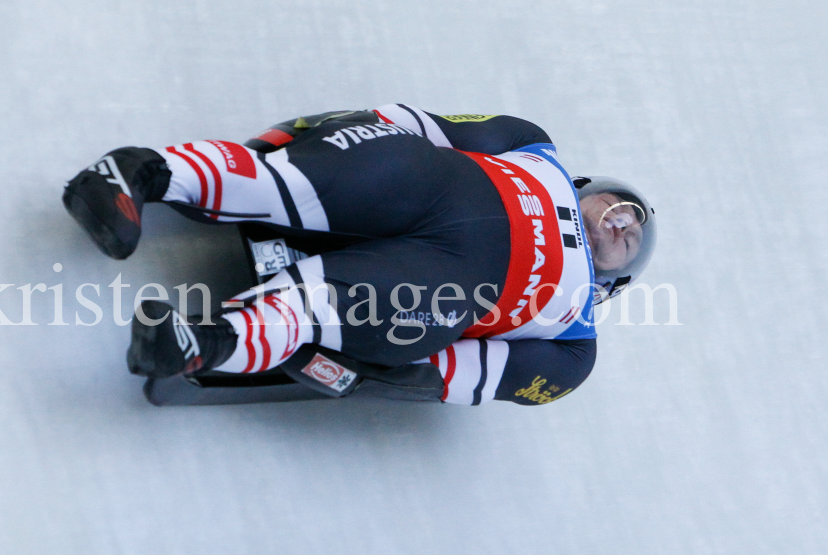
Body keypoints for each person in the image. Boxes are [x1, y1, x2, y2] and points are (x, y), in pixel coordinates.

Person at [62, 104, 656, 405]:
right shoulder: (531, 144)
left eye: (629, 237)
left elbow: (454, 375)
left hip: (446, 284)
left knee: (317, 308)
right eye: (617, 207)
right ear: (584, 183)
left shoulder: (575, 344)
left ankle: (203, 344)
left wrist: (363, 372)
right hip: (425, 181)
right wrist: (298, 140)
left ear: (614, 281)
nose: (619, 221)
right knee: (287, 182)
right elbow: (407, 123)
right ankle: (136, 176)